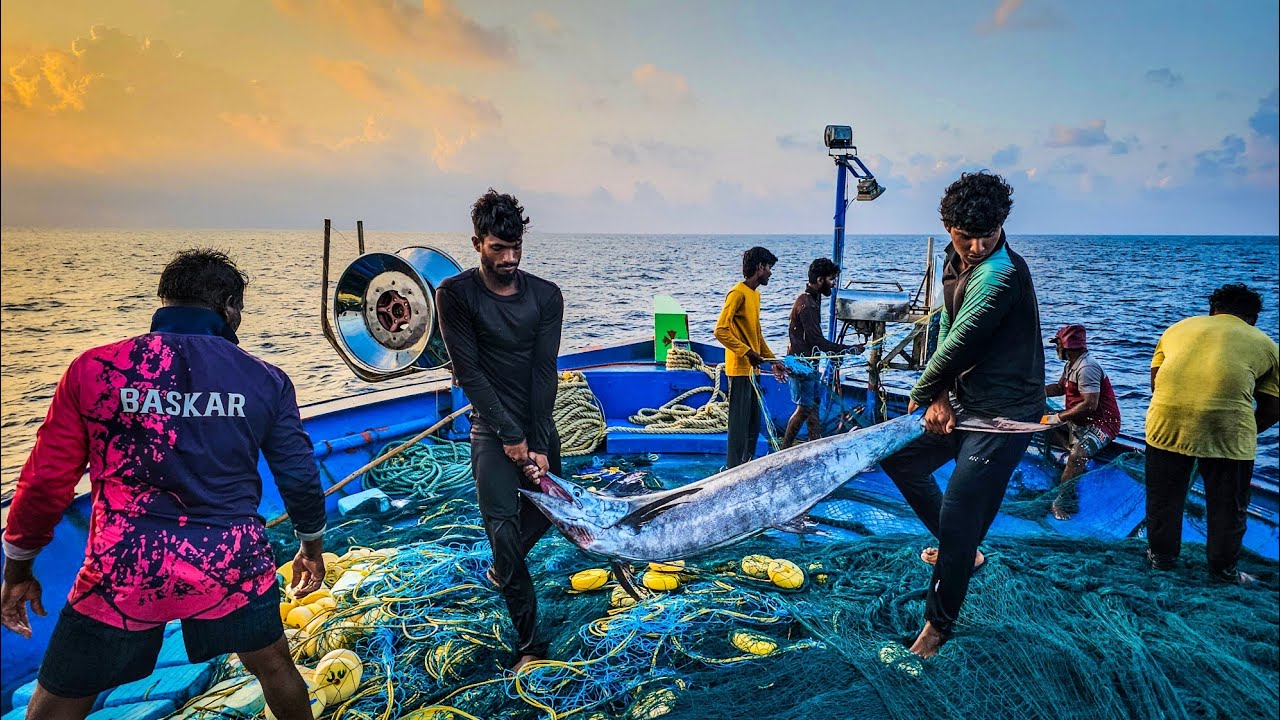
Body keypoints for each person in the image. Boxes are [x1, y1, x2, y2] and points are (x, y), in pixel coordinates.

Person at [1, 249, 327, 720]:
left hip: (123, 569)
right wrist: (310, 546)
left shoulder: (93, 369)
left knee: (60, 699)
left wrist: (18, 570)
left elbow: (46, 481)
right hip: (228, 564)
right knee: (275, 667)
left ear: (165, 300)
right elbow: (298, 475)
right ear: (230, 307)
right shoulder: (265, 379)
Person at [878, 171, 1045, 658]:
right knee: (903, 460)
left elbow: (964, 340)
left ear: (1002, 226)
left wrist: (923, 389)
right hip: (967, 402)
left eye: (987, 235)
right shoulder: (955, 263)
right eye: (964, 236)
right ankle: (963, 551)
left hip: (1006, 414)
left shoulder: (1001, 273)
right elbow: (946, 325)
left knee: (958, 511)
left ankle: (936, 628)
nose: (976, 247)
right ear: (947, 227)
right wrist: (940, 396)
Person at [435, 189, 564, 672]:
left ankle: (501, 570)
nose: (509, 259)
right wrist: (511, 438)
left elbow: (544, 370)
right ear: (477, 244)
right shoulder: (454, 295)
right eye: (498, 248)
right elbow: (469, 373)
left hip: (538, 422)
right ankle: (531, 642)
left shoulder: (546, 296)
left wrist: (538, 441)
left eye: (516, 248)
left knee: (553, 512)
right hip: (490, 429)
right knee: (504, 534)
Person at [1144, 283, 1279, 584]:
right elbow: (1272, 408)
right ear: (1253, 318)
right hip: (1228, 432)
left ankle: (1161, 559)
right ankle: (1223, 571)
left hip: (1165, 425)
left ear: (1212, 310)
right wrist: (1241, 432)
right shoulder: (1267, 345)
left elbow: (1156, 384)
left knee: (1163, 499)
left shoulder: (1175, 330)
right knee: (1227, 507)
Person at [714, 246, 787, 468]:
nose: (770, 273)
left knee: (753, 425)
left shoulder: (755, 295)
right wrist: (746, 352)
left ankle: (746, 467)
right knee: (738, 427)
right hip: (739, 370)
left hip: (753, 370)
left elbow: (757, 335)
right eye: (769, 268)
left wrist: (773, 361)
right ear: (759, 267)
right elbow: (720, 330)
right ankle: (732, 469)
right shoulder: (737, 293)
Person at [781, 257, 862, 448]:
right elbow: (817, 341)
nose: (833, 284)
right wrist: (848, 349)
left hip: (810, 364)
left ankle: (814, 444)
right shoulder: (807, 304)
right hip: (800, 365)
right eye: (831, 279)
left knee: (814, 404)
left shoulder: (813, 299)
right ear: (819, 280)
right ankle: (784, 449)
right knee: (804, 408)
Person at [1043, 324, 1122, 520]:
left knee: (1078, 455)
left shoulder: (1087, 368)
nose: (1056, 349)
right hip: (1078, 420)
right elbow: (1059, 388)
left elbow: (1090, 405)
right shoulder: (1071, 364)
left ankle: (1060, 501)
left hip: (1102, 423)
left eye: (1058, 344)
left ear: (1067, 346)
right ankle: (1069, 451)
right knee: (1040, 418)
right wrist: (1035, 392)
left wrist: (1059, 417)